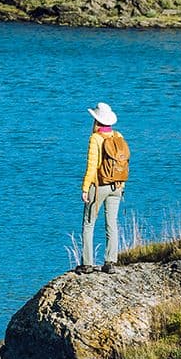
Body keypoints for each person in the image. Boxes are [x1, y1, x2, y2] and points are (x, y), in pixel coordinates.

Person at [78, 102, 130, 272]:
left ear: (96, 121)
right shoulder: (118, 135)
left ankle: (87, 264)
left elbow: (92, 166)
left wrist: (85, 188)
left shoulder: (95, 138)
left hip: (99, 186)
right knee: (111, 224)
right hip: (117, 186)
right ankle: (110, 262)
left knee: (88, 223)